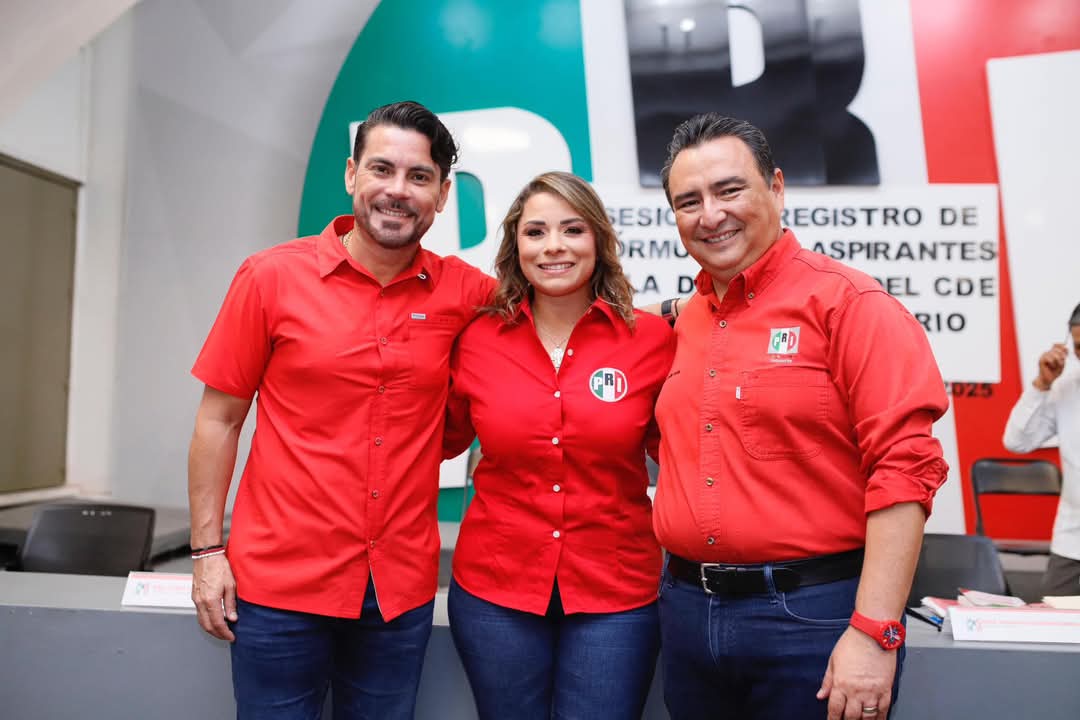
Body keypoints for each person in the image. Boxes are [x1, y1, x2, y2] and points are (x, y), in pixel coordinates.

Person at [186, 100, 495, 719]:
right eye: (382, 169)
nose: (397, 191)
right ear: (352, 174)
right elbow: (219, 420)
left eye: (419, 176)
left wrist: (674, 313)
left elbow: (562, 306)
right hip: (278, 587)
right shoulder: (269, 278)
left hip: (396, 594)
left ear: (442, 195)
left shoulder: (467, 292)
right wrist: (206, 553)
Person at [651, 113, 950, 720]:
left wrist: (875, 631)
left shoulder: (851, 305)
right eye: (689, 201)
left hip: (812, 620)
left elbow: (905, 471)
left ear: (777, 187)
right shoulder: (682, 323)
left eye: (729, 190)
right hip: (685, 614)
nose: (710, 215)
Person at [442, 171, 675, 720]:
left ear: (598, 240)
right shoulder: (475, 340)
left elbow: (682, 454)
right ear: (515, 246)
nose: (553, 246)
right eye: (535, 232)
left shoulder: (652, 341)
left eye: (572, 230)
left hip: (617, 592)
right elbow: (434, 440)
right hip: (496, 590)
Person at [1003, 302, 1080, 596]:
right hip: (1072, 542)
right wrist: (1041, 385)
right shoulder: (1065, 387)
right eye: (1079, 347)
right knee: (1052, 619)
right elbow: (1017, 441)